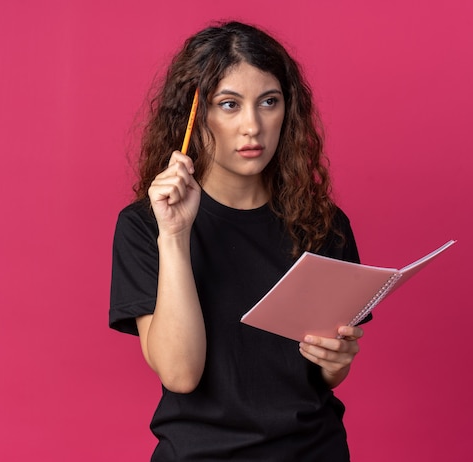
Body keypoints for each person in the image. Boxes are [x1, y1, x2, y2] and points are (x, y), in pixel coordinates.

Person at [109, 21, 370, 461]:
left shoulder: (323, 224)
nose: (252, 126)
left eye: (269, 102)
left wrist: (336, 362)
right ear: (193, 116)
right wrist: (175, 236)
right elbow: (180, 374)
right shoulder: (145, 226)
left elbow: (322, 374)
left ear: (288, 110)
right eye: (229, 105)